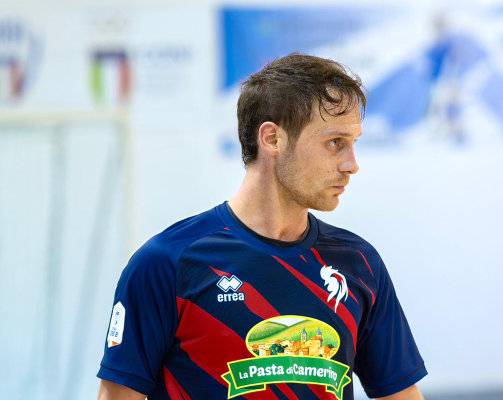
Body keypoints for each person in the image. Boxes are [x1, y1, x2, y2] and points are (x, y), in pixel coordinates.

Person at [97, 53, 427, 400]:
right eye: (335, 143)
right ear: (271, 139)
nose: (352, 165)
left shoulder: (359, 263)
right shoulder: (167, 262)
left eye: (353, 143)